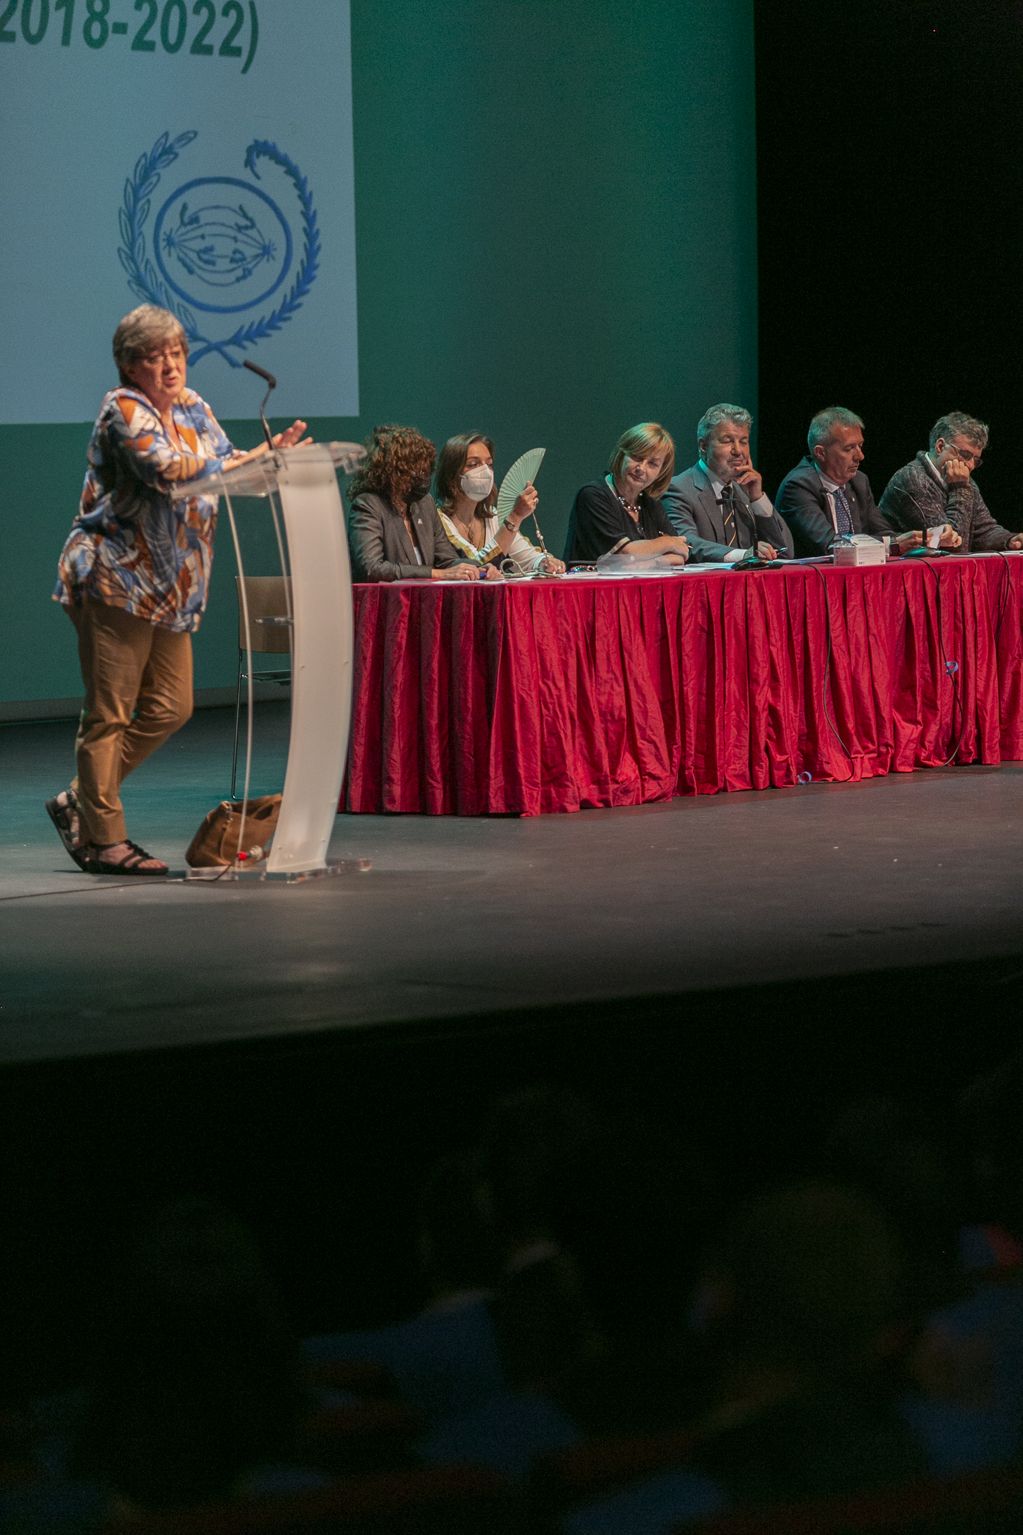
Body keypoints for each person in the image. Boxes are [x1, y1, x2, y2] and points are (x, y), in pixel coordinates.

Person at [48, 304, 309, 876]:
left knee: (172, 706)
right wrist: (250, 459)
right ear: (128, 366)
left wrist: (271, 458)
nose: (169, 366)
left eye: (176, 353)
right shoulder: (123, 410)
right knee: (110, 714)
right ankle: (103, 839)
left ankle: (80, 799)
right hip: (115, 580)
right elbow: (168, 469)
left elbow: (226, 465)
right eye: (153, 357)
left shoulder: (192, 407)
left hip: (169, 590)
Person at [775, 406, 956, 557]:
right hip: (813, 584)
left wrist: (925, 538)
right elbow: (830, 545)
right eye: (849, 449)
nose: (860, 456)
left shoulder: (859, 482)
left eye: (860, 446)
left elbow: (884, 534)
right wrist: (893, 544)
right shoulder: (798, 486)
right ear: (820, 453)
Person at [347, 424, 481, 583]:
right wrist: (437, 574)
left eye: (425, 470)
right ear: (392, 473)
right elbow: (372, 568)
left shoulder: (424, 504)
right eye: (415, 470)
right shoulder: (368, 505)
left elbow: (447, 560)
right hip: (388, 603)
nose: (422, 477)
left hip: (425, 601)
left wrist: (479, 568)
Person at [661, 403, 793, 562]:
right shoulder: (679, 489)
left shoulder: (745, 490)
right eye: (727, 441)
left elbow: (785, 552)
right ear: (703, 446)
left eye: (743, 441)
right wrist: (742, 555)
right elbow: (685, 543)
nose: (738, 451)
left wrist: (757, 498)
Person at [880, 412, 1023, 552]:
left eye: (976, 459)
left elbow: (983, 530)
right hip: (899, 570)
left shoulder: (964, 481)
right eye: (965, 455)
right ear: (940, 447)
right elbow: (952, 544)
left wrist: (1010, 540)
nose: (971, 465)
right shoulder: (912, 479)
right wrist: (960, 488)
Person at [435, 433, 565, 576]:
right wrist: (515, 517)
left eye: (489, 464)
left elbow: (528, 559)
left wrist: (544, 563)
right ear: (451, 476)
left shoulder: (492, 515)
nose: (485, 471)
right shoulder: (438, 520)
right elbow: (476, 566)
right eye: (473, 464)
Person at [563, 423, 690, 566]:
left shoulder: (650, 504)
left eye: (652, 464)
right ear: (621, 455)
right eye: (637, 457)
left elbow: (681, 554)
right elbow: (625, 554)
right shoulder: (593, 495)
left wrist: (647, 564)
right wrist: (667, 542)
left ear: (661, 472)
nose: (641, 468)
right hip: (593, 586)